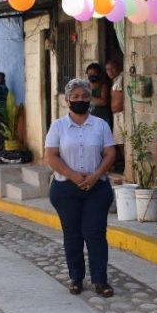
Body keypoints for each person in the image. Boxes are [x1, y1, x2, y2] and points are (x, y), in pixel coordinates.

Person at [45, 78, 117, 298]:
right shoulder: (58, 126)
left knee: (95, 233)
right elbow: (51, 155)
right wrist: (75, 176)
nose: (80, 100)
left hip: (96, 188)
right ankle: (76, 277)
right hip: (66, 189)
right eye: (75, 97)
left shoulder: (100, 125)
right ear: (67, 100)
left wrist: (95, 176)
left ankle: (100, 279)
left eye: (85, 96)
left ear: (90, 100)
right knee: (72, 234)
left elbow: (110, 153)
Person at [106, 58, 126, 173]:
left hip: (123, 115)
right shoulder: (114, 80)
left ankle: (128, 167)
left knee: (125, 141)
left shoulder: (123, 77)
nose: (110, 71)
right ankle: (126, 166)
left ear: (118, 67)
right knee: (119, 142)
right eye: (108, 69)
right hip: (116, 115)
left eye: (112, 68)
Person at [86, 63, 114, 130]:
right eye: (89, 74)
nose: (91, 75)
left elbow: (103, 102)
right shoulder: (86, 86)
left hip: (103, 119)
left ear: (99, 74)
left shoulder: (103, 86)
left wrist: (88, 96)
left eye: (94, 73)